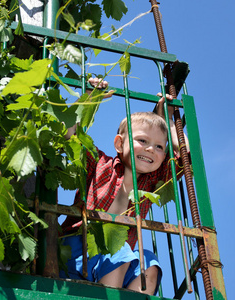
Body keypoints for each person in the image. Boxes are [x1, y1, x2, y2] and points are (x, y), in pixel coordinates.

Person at [59, 78, 189, 295]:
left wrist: (166, 117)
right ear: (119, 143)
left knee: (149, 263)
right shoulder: (99, 163)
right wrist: (89, 99)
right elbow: (67, 136)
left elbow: (187, 159)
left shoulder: (152, 182)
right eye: (143, 141)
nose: (150, 150)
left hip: (115, 260)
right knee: (122, 252)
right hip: (77, 251)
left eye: (159, 147)